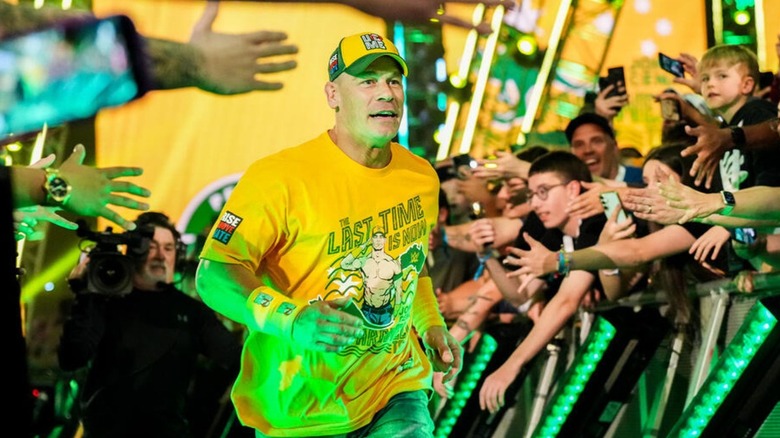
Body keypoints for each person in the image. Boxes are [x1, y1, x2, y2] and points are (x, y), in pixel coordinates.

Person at [195, 32, 461, 437]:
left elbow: (412, 267)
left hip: (396, 387)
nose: (386, 93)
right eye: (368, 81)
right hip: (303, 408)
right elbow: (214, 275)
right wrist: (292, 318)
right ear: (333, 95)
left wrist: (431, 326)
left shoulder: (420, 175)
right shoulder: (279, 178)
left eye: (393, 81)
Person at [57, 211, 243, 438]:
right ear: (133, 251)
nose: (160, 256)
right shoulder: (105, 301)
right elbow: (71, 358)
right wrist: (84, 296)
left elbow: (237, 359)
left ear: (178, 254)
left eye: (168, 248)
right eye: (151, 246)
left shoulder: (192, 312)